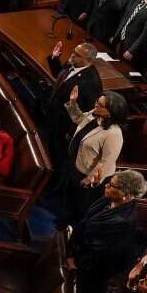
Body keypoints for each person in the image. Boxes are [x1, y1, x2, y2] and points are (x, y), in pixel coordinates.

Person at [70, 169, 147, 293]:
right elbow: (88, 215)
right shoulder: (110, 200)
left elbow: (99, 249)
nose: (106, 185)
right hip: (86, 254)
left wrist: (73, 258)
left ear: (126, 195)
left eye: (112, 185)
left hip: (96, 266)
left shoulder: (123, 221)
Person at [62, 89, 129, 223]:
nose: (96, 106)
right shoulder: (94, 115)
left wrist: (89, 179)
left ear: (110, 112)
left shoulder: (114, 134)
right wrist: (73, 102)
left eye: (100, 105)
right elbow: (78, 118)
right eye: (97, 102)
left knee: (80, 206)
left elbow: (107, 162)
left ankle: (72, 229)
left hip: (89, 176)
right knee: (69, 199)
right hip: (75, 164)